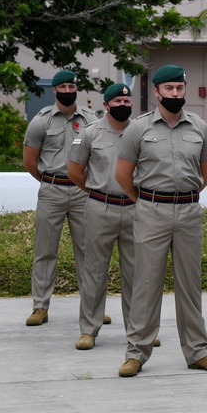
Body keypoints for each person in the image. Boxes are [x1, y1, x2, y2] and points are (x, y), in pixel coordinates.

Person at [114, 64, 207, 377]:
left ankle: (197, 352)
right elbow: (123, 175)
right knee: (146, 284)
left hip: (189, 212)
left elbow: (206, 173)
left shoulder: (199, 127)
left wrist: (183, 197)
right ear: (156, 92)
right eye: (169, 89)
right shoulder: (139, 128)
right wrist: (146, 201)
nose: (175, 94)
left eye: (179, 89)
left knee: (190, 285)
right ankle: (136, 353)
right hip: (152, 210)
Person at [68, 83, 159, 351]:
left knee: (137, 273)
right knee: (94, 271)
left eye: (126, 101)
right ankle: (89, 330)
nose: (123, 105)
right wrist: (97, 191)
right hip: (100, 208)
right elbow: (75, 172)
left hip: (134, 208)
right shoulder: (89, 133)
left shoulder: (142, 132)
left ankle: (139, 332)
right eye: (116, 101)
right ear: (106, 106)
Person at [22, 69, 99, 326]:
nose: (67, 91)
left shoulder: (90, 120)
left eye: (71, 86)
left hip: (83, 191)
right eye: (62, 87)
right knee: (45, 250)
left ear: (77, 89)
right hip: (51, 189)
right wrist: (50, 181)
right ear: (54, 90)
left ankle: (93, 308)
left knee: (89, 251)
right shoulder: (40, 121)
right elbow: (30, 162)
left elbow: (99, 157)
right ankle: (40, 307)